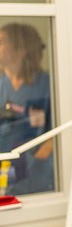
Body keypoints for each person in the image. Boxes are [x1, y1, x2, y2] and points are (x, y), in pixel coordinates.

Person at [0, 22, 54, 195]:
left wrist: (39, 159)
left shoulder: (47, 85)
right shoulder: (2, 84)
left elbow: (59, 130)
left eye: (2, 41)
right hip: (4, 165)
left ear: (21, 49)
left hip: (37, 170)